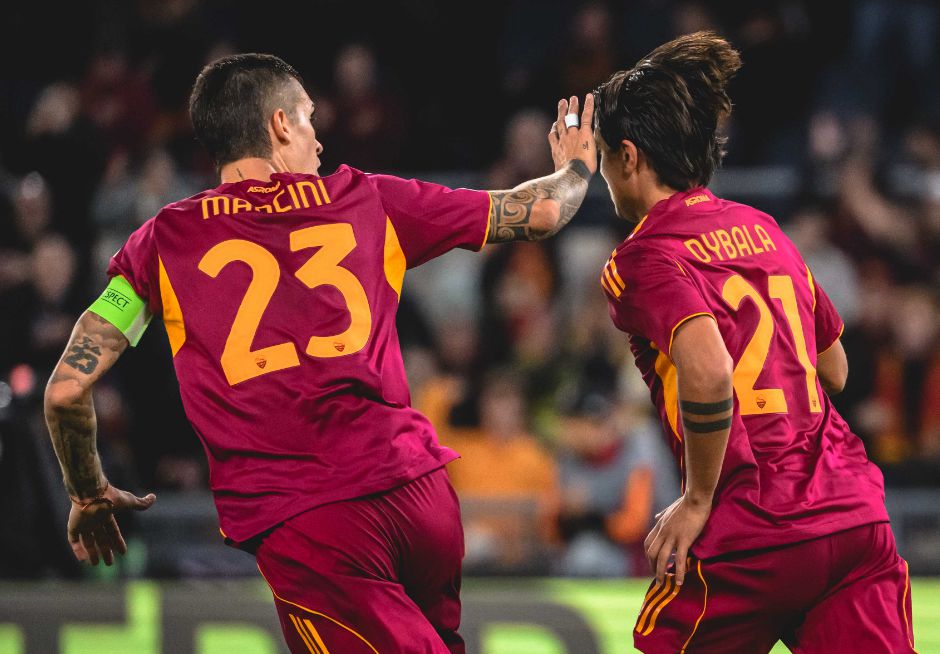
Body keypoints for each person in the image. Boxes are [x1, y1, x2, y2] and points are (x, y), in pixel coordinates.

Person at [42, 53, 597, 654]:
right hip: (421, 498)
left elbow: (66, 390)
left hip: (314, 522)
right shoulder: (368, 198)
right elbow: (543, 211)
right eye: (309, 118)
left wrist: (88, 493)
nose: (319, 138)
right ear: (280, 125)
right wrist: (575, 168)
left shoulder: (161, 243)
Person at [593, 33, 915, 653]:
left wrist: (696, 500)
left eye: (605, 157)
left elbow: (710, 372)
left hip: (751, 531)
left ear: (628, 157)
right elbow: (835, 369)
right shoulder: (764, 228)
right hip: (851, 516)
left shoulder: (642, 257)